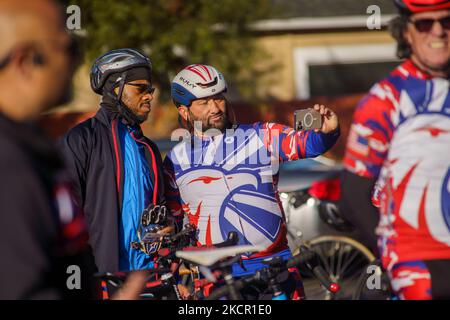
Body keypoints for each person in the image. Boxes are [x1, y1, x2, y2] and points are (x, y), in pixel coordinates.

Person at [164, 64, 340, 299]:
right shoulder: (174, 161)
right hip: (218, 276)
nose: (215, 108)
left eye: (218, 98)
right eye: (204, 102)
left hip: (276, 266)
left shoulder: (262, 136)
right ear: (184, 111)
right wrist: (176, 281)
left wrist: (327, 133)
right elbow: (172, 225)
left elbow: (306, 145)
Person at [341, 0, 450, 299]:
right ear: (406, 33)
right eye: (425, 23)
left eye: (447, 21)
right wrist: (392, 256)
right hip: (418, 264)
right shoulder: (385, 99)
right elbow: (352, 194)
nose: (438, 31)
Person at [0, 0, 95, 299]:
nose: (76, 62)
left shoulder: (28, 143)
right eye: (69, 49)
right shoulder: (8, 162)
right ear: (26, 61)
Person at [60, 49, 167, 273]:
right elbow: (63, 220)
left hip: (149, 276)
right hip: (103, 277)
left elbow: (161, 209)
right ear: (115, 88)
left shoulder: (149, 148)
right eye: (141, 88)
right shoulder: (81, 139)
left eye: (150, 90)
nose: (149, 96)